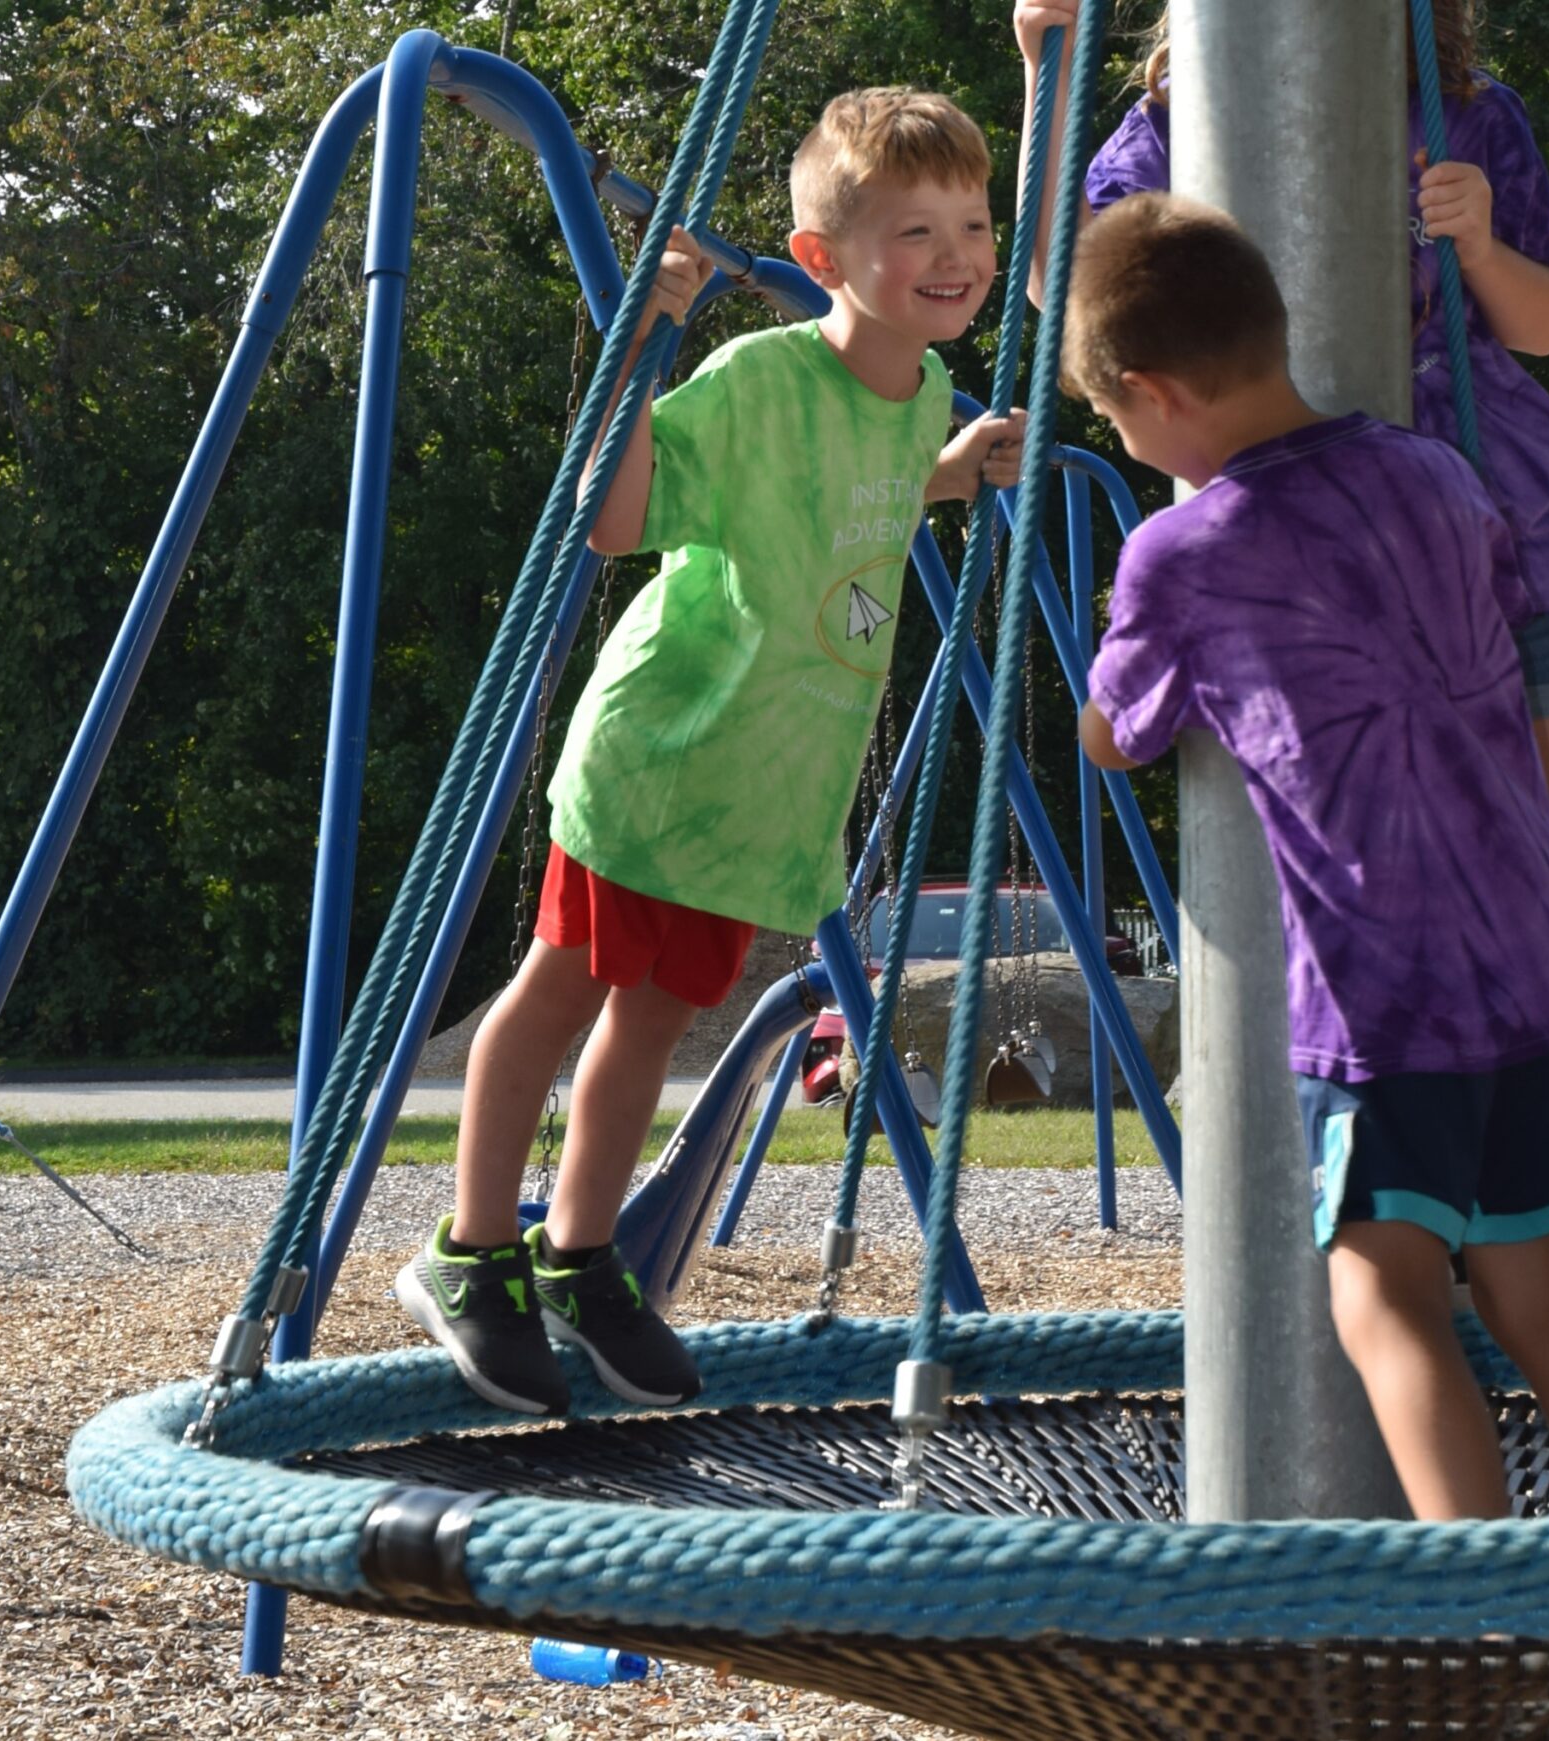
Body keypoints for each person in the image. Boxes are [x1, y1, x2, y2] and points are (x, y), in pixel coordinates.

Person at [1013, 0, 1549, 1399]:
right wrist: (1047, 73)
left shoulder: (1467, 117)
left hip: (1487, 540)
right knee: (1366, 900)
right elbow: (1060, 301)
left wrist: (1481, 241)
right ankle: (1433, 1233)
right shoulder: (1166, 137)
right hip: (1295, 596)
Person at [398, 87, 1027, 1417]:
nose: (956, 254)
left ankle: (579, 1254)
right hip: (661, 763)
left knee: (654, 1023)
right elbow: (618, 519)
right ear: (820, 260)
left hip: (759, 804)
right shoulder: (759, 381)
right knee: (561, 994)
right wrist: (651, 332)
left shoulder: (922, 401)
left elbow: (869, 488)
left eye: (971, 222)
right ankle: (472, 1249)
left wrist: (954, 472)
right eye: (913, 230)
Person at [1068, 193, 1549, 1519]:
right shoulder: (1435, 475)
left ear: (1153, 394)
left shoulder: (1182, 554)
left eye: (1116, 423)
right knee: (1542, 1302)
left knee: (1382, 1293)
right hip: (1532, 959)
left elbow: (1113, 734)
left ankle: (1487, 1611)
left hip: (1391, 996)